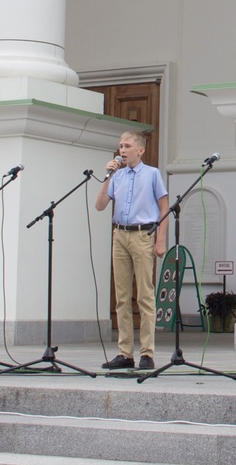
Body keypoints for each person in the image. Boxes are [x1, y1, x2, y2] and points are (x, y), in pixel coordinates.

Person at [94, 130, 168, 370]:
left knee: (145, 295)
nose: (122, 150)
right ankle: (125, 352)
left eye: (126, 146)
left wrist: (160, 240)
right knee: (122, 297)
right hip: (120, 235)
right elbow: (100, 205)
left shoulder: (152, 174)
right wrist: (108, 177)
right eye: (120, 146)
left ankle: (147, 352)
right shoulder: (118, 175)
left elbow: (164, 208)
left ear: (140, 150)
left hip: (143, 234)